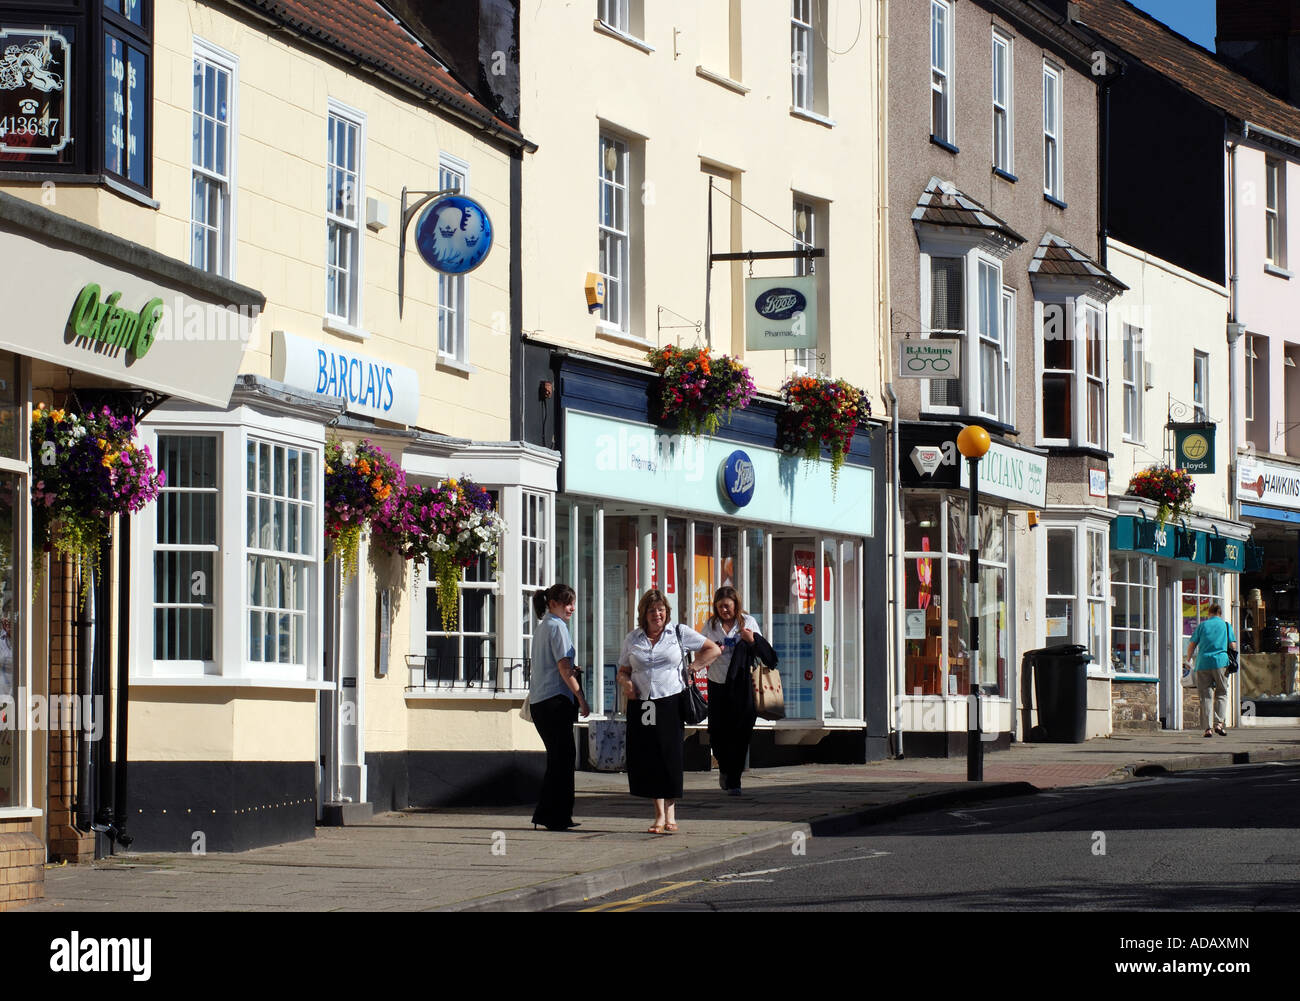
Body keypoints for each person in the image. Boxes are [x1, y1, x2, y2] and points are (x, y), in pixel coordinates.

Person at [617, 588, 721, 834]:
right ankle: (659, 814)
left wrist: (693, 667)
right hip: (644, 703)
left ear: (667, 612)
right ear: (644, 614)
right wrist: (626, 683)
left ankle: (671, 810)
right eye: (652, 611)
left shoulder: (678, 633)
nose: (657, 615)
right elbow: (622, 670)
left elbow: (713, 649)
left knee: (670, 755)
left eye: (661, 610)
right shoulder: (633, 639)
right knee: (649, 756)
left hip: (670, 700)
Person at [702, 586, 777, 795]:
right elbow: (700, 645)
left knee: (740, 734)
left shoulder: (748, 622)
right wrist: (713, 647)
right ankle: (725, 769)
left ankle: (734, 781)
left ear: (736, 605)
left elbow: (766, 654)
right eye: (720, 607)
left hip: (743, 686)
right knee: (717, 734)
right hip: (717, 683)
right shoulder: (711, 624)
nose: (724, 610)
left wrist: (751, 639)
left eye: (727, 606)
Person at [527, 584, 589, 830]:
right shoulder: (558, 628)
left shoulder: (543, 627)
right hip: (555, 700)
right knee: (563, 760)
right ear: (552, 603)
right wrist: (581, 697)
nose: (571, 608)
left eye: (572, 602)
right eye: (566, 603)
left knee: (557, 759)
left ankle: (548, 814)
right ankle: (557, 816)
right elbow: (564, 668)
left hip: (540, 702)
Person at [1184, 603, 1236, 738]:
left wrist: (1188, 660)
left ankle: (1207, 729)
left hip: (1203, 663)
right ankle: (1219, 723)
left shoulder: (1202, 626)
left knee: (1205, 696)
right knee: (1222, 692)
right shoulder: (1225, 625)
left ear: (1209, 613)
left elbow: (1192, 645)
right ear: (1220, 613)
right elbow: (1233, 645)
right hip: (1221, 663)